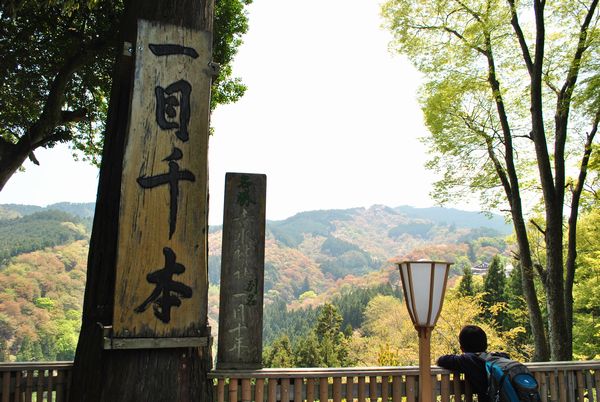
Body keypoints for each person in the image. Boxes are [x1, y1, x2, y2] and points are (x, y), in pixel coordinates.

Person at [437, 325, 507, 402]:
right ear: (486, 345)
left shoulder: (468, 360)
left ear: (462, 348)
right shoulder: (501, 357)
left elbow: (441, 360)